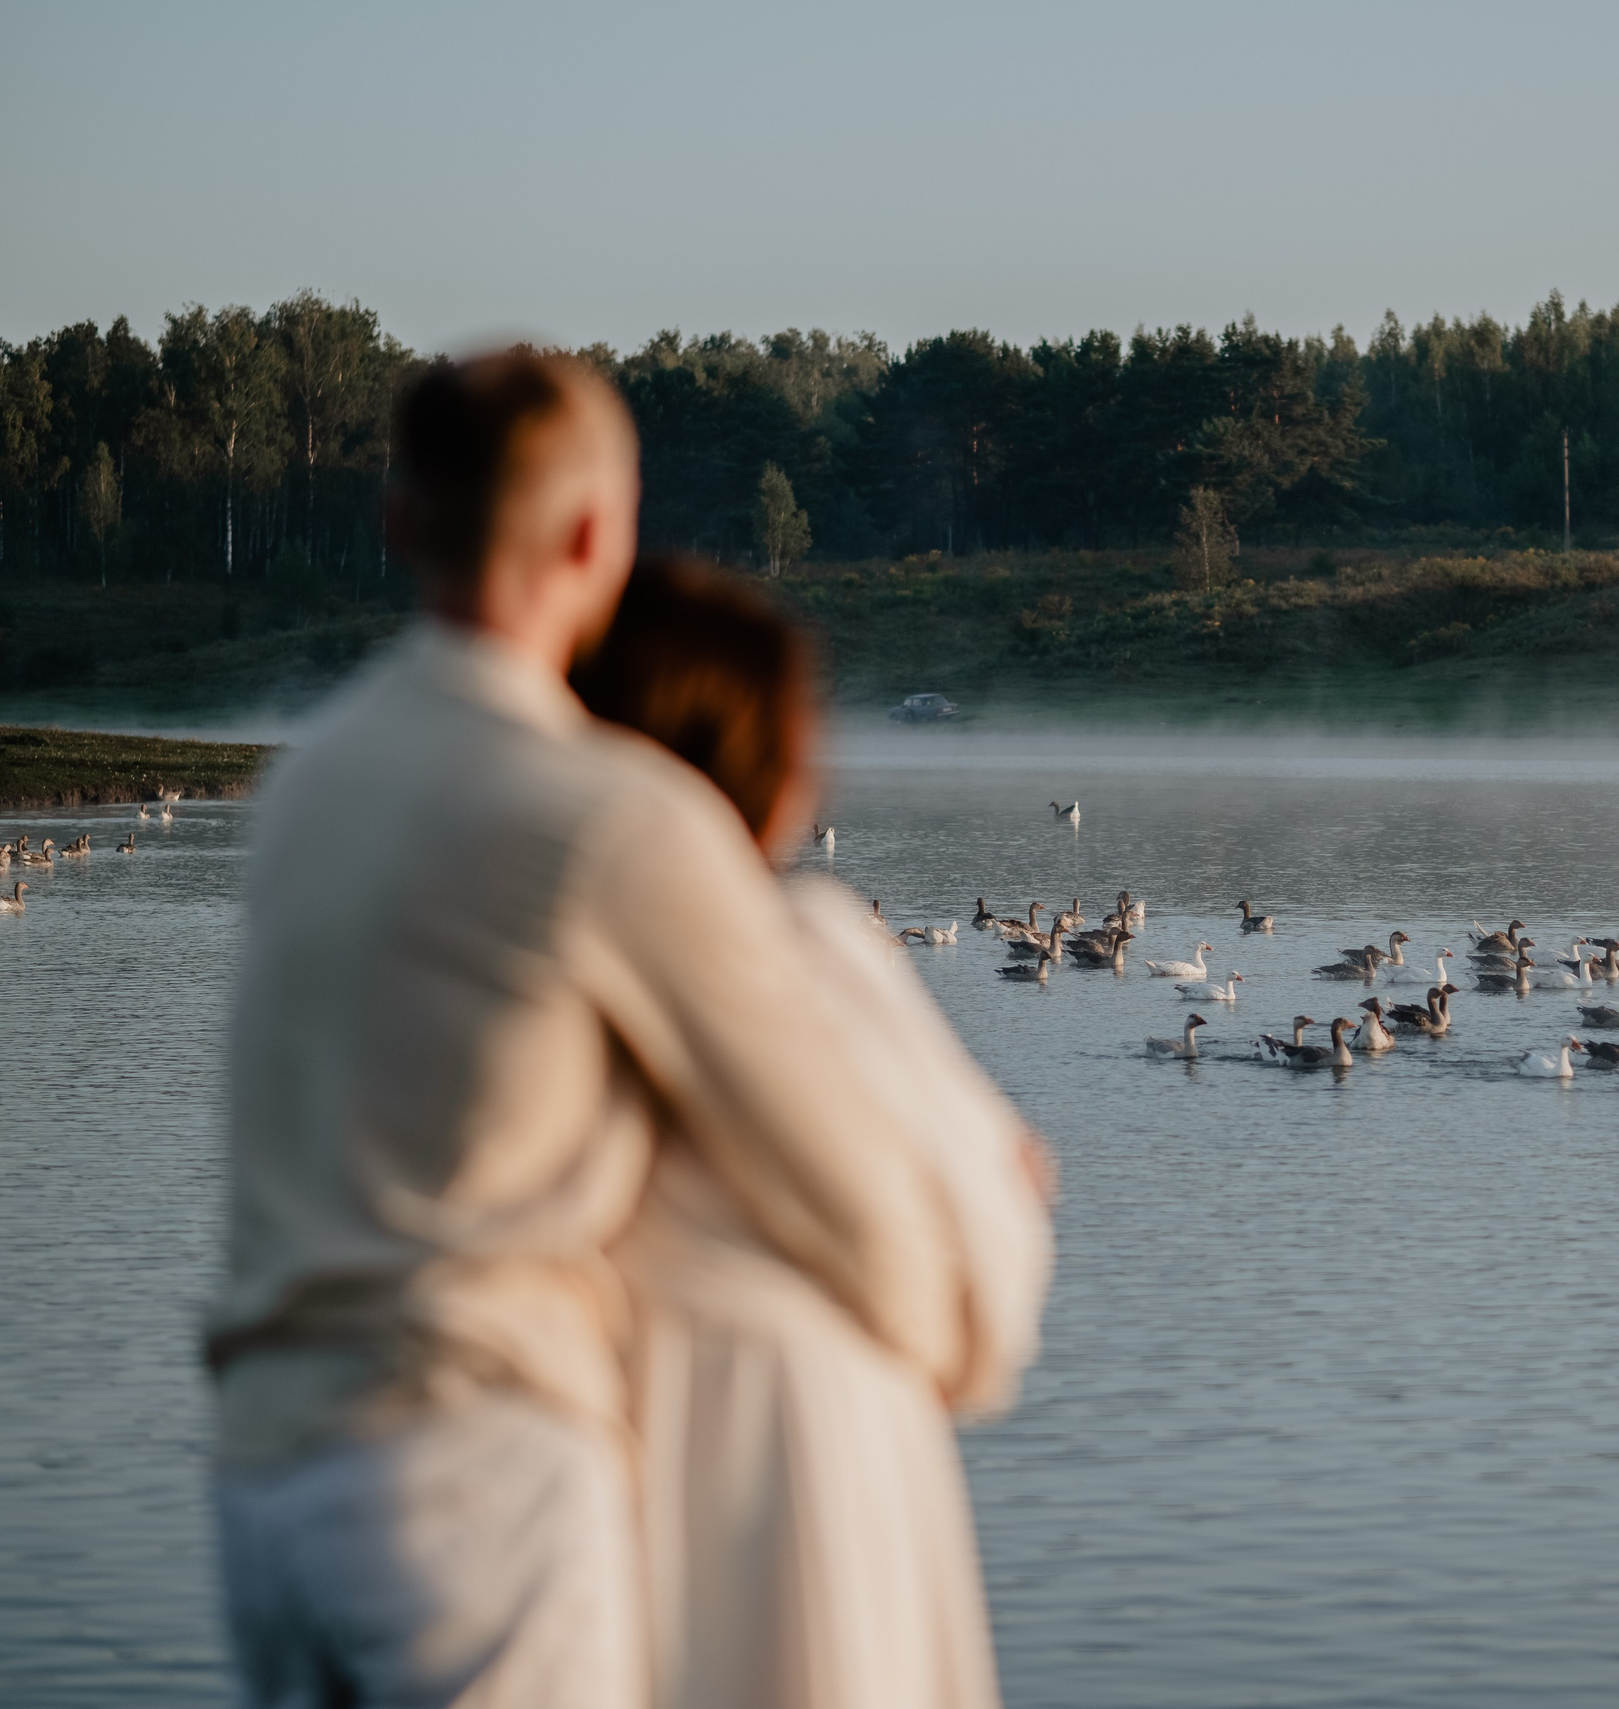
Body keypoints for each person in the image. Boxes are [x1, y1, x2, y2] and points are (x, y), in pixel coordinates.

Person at [206, 354, 1021, 1709]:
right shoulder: (610, 819)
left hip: (261, 1468)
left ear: (398, 521)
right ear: (599, 535)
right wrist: (957, 1331)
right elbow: (844, 1179)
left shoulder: (311, 781)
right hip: (466, 1479)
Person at [572, 555, 1052, 1709]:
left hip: (598, 1485)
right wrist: (1002, 1174)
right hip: (815, 1458)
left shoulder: (524, 971)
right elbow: (995, 1270)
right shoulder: (807, 945)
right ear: (776, 773)